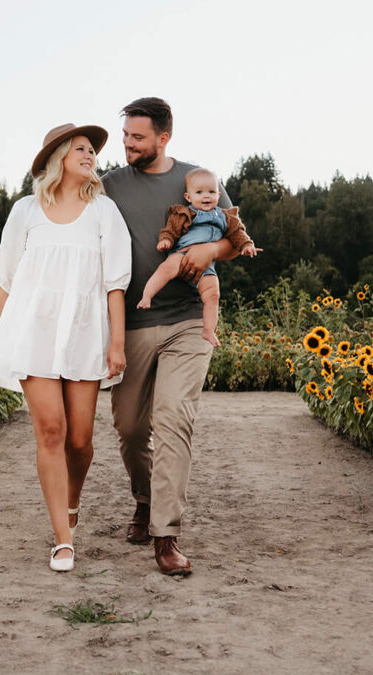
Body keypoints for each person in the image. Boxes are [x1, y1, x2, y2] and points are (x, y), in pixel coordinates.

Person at [104, 96, 259, 576]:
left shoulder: (201, 181)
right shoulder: (110, 186)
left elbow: (234, 239)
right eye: (126, 135)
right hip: (131, 322)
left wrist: (210, 248)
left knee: (173, 421)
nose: (128, 144)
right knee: (131, 430)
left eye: (137, 137)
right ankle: (144, 499)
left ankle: (165, 536)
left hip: (190, 320)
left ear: (163, 138)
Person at [0, 123, 131, 572]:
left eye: (92, 151)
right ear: (57, 156)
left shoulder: (104, 212)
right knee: (52, 432)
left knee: (80, 441)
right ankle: (63, 538)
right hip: (34, 334)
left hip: (84, 334)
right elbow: (6, 281)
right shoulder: (25, 211)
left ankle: (71, 502)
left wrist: (116, 342)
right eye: (80, 148)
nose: (90, 156)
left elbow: (116, 283)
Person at [135, 166, 257, 347]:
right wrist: (166, 241)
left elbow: (238, 234)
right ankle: (147, 296)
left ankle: (208, 330)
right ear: (188, 197)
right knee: (165, 269)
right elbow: (170, 230)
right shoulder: (185, 213)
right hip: (182, 253)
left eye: (211, 192)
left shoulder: (226, 217)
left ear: (218, 195)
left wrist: (247, 245)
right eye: (199, 192)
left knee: (213, 294)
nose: (206, 196)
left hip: (207, 265)